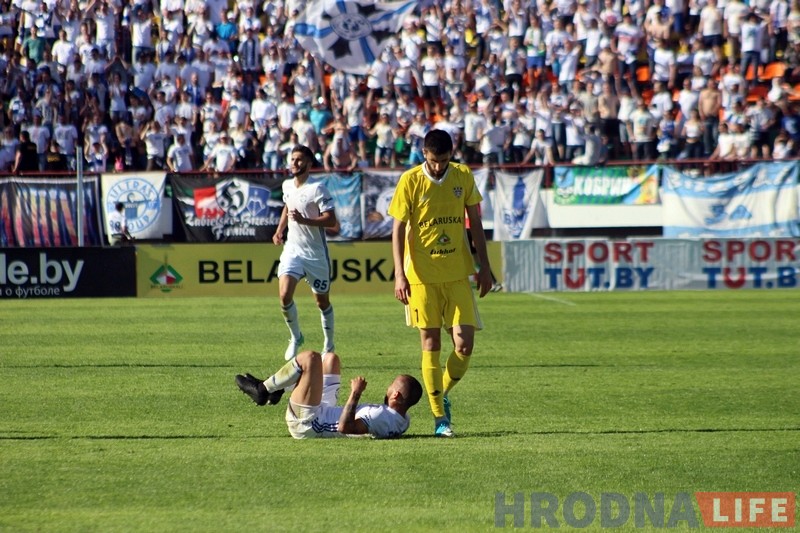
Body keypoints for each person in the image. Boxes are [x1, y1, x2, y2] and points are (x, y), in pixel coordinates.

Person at [387, 129, 493, 438]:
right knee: (431, 343)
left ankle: (441, 392)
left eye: (444, 160)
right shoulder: (410, 180)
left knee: (464, 345)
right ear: (424, 155)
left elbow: (475, 222)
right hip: (421, 277)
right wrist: (399, 273)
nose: (439, 167)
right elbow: (397, 230)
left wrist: (484, 266)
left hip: (457, 273)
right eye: (434, 161)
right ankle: (438, 418)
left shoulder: (461, 175)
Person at [235, 350, 423, 439]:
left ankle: (263, 390)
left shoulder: (380, 416)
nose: (387, 388)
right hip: (326, 410)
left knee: (310, 358)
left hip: (309, 424)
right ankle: (278, 390)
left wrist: (355, 393)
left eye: (390, 386)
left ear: (396, 395)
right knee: (330, 359)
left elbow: (343, 427)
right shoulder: (403, 418)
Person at [273, 145, 338, 361]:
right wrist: (279, 230)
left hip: (315, 255)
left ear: (309, 164)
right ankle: (295, 337)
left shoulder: (318, 188)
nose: (294, 163)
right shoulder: (287, 185)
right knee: (284, 295)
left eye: (299, 159)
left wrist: (305, 221)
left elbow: (331, 220)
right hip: (293, 250)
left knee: (322, 303)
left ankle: (328, 344)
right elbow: (287, 207)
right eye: (292, 159)